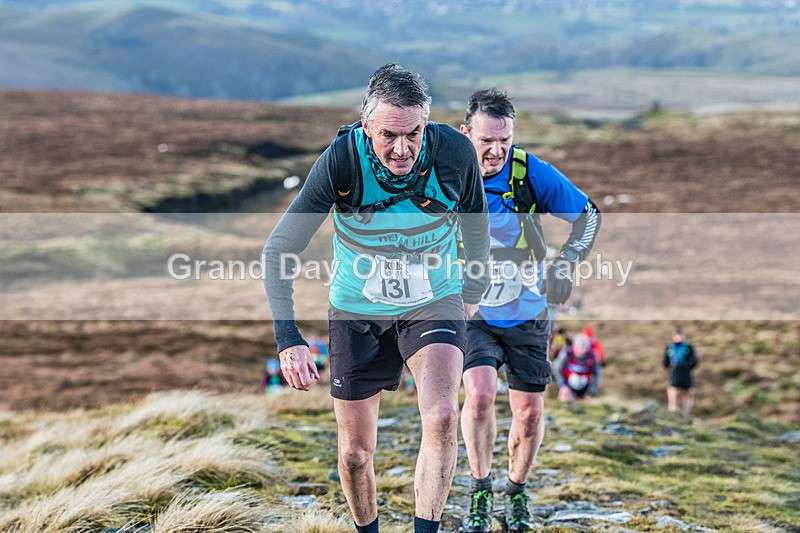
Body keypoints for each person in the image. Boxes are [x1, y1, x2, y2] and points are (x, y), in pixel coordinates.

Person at [263, 64, 490, 533]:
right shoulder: (341, 160)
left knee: (444, 415)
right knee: (353, 453)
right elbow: (279, 248)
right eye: (389, 135)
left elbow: (477, 228)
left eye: (414, 133)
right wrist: (288, 338)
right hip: (356, 307)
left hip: (434, 297)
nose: (402, 148)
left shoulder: (455, 154)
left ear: (426, 123)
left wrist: (471, 293)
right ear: (367, 126)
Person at [458, 89, 601, 532]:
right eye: (487, 141)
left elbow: (589, 215)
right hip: (474, 312)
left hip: (529, 311)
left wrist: (566, 262)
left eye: (505, 140)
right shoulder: (448, 172)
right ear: (467, 134)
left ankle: (516, 492)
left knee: (529, 412)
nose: (497, 151)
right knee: (480, 396)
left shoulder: (528, 172)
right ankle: (481, 490)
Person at [554, 333, 602, 401]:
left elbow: (597, 373)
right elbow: (556, 368)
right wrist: (563, 385)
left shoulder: (592, 355)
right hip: (568, 386)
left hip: (585, 387)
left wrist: (591, 391)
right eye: (579, 346)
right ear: (574, 346)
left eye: (584, 346)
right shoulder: (567, 353)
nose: (581, 349)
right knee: (564, 398)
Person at [663, 326, 698, 416]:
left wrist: (687, 366)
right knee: (672, 392)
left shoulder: (688, 347)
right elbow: (665, 362)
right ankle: (673, 412)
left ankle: (686, 414)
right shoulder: (669, 347)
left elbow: (694, 361)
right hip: (674, 373)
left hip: (685, 373)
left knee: (688, 393)